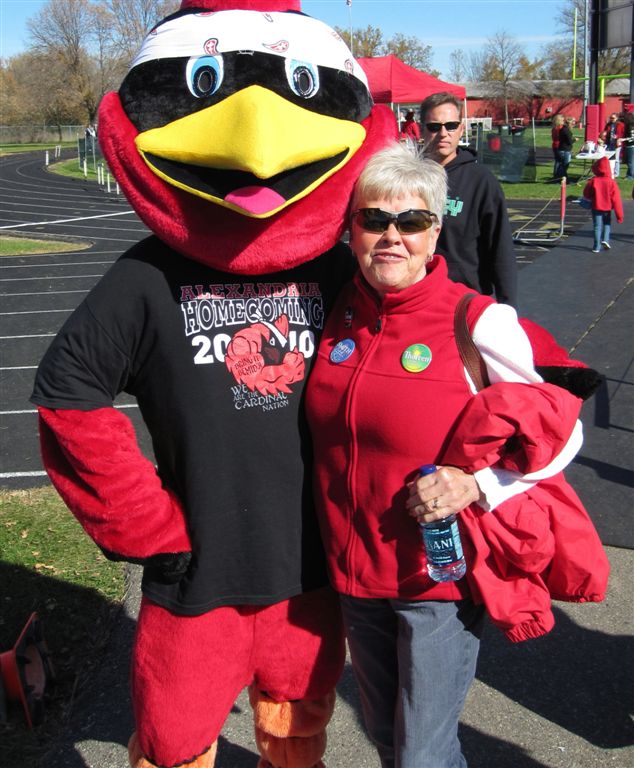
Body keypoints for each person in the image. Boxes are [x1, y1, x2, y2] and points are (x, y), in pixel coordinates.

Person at [305, 142, 606, 768]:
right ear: (352, 229)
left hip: (436, 578)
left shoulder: (476, 320)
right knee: (385, 737)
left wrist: (481, 485)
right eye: (374, 219)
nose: (392, 236)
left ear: (435, 232)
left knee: (423, 754)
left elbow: (565, 428)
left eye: (411, 221)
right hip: (355, 573)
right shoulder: (337, 310)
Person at [419, 92, 517, 308]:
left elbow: (500, 246)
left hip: (464, 300)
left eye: (451, 126)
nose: (443, 133)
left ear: (461, 129)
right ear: (421, 130)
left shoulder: (481, 180)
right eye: (434, 127)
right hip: (416, 297)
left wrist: (508, 306)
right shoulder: (409, 177)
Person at [582, 155, 624, 252]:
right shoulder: (612, 182)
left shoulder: (593, 181)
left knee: (597, 226)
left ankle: (596, 246)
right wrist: (620, 216)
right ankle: (605, 239)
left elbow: (586, 193)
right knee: (607, 223)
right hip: (607, 207)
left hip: (596, 206)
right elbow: (616, 200)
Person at [600, 112, 625, 177]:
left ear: (617, 118)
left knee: (616, 159)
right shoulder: (608, 124)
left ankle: (616, 173)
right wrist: (604, 135)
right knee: (608, 158)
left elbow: (623, 134)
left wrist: (618, 137)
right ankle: (608, 171)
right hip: (609, 143)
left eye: (613, 118)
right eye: (610, 118)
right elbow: (605, 131)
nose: (611, 119)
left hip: (617, 143)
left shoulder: (621, 125)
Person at [621, 111, 634, 179]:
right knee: (631, 162)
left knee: (630, 162)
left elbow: (632, 138)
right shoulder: (629, 125)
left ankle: (630, 175)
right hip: (630, 145)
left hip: (631, 145)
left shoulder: (630, 126)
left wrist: (623, 139)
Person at [551, 113, 565, 177]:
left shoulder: (554, 128)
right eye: (562, 120)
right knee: (560, 161)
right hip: (559, 145)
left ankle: (556, 174)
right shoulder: (560, 128)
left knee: (557, 161)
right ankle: (557, 174)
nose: (563, 121)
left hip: (555, 145)